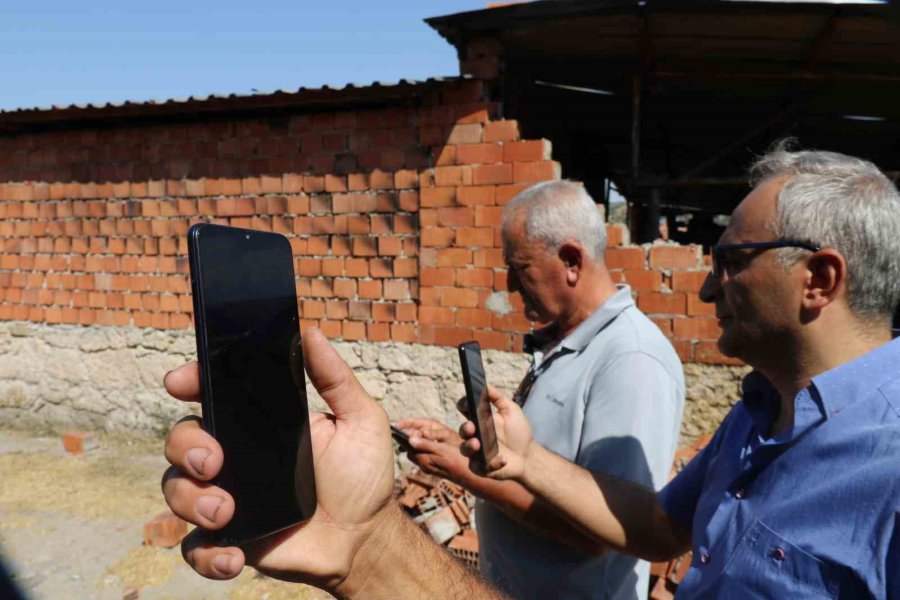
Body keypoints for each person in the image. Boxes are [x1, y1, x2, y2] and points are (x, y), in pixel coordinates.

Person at [461, 142, 900, 598]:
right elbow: (658, 528)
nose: (709, 289)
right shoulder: (756, 414)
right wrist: (526, 458)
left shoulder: (889, 462)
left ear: (819, 280)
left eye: (731, 262)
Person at [397, 180, 684, 599]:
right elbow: (533, 466)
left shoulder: (631, 359)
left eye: (521, 268)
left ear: (570, 260)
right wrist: (466, 451)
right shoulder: (568, 341)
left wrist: (462, 474)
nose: (512, 286)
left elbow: (605, 527)